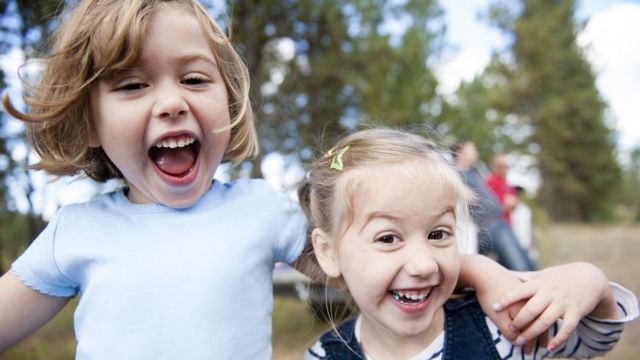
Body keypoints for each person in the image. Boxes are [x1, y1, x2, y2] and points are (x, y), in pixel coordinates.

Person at [0, 1, 550, 358]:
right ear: (88, 119)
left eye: (194, 78)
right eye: (131, 86)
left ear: (229, 101)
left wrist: (478, 271)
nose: (171, 103)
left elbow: (372, 265)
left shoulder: (261, 210)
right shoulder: (75, 232)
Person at [300, 129, 638, 360]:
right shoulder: (323, 355)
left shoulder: (500, 327)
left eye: (438, 234)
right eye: (388, 238)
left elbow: (596, 341)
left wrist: (590, 280)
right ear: (329, 253)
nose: (424, 265)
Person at [451, 141, 537, 271]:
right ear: (460, 152)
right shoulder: (453, 174)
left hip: (499, 222)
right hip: (489, 226)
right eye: (472, 149)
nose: (476, 152)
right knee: (520, 267)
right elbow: (441, 176)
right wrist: (459, 187)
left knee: (529, 262)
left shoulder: (474, 172)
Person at [486, 152, 519, 226]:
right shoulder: (490, 181)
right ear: (493, 166)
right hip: (496, 224)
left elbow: (515, 202)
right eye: (501, 166)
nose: (504, 170)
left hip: (506, 223)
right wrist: (506, 206)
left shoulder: (506, 183)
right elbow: (489, 210)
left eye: (506, 166)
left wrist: (514, 203)